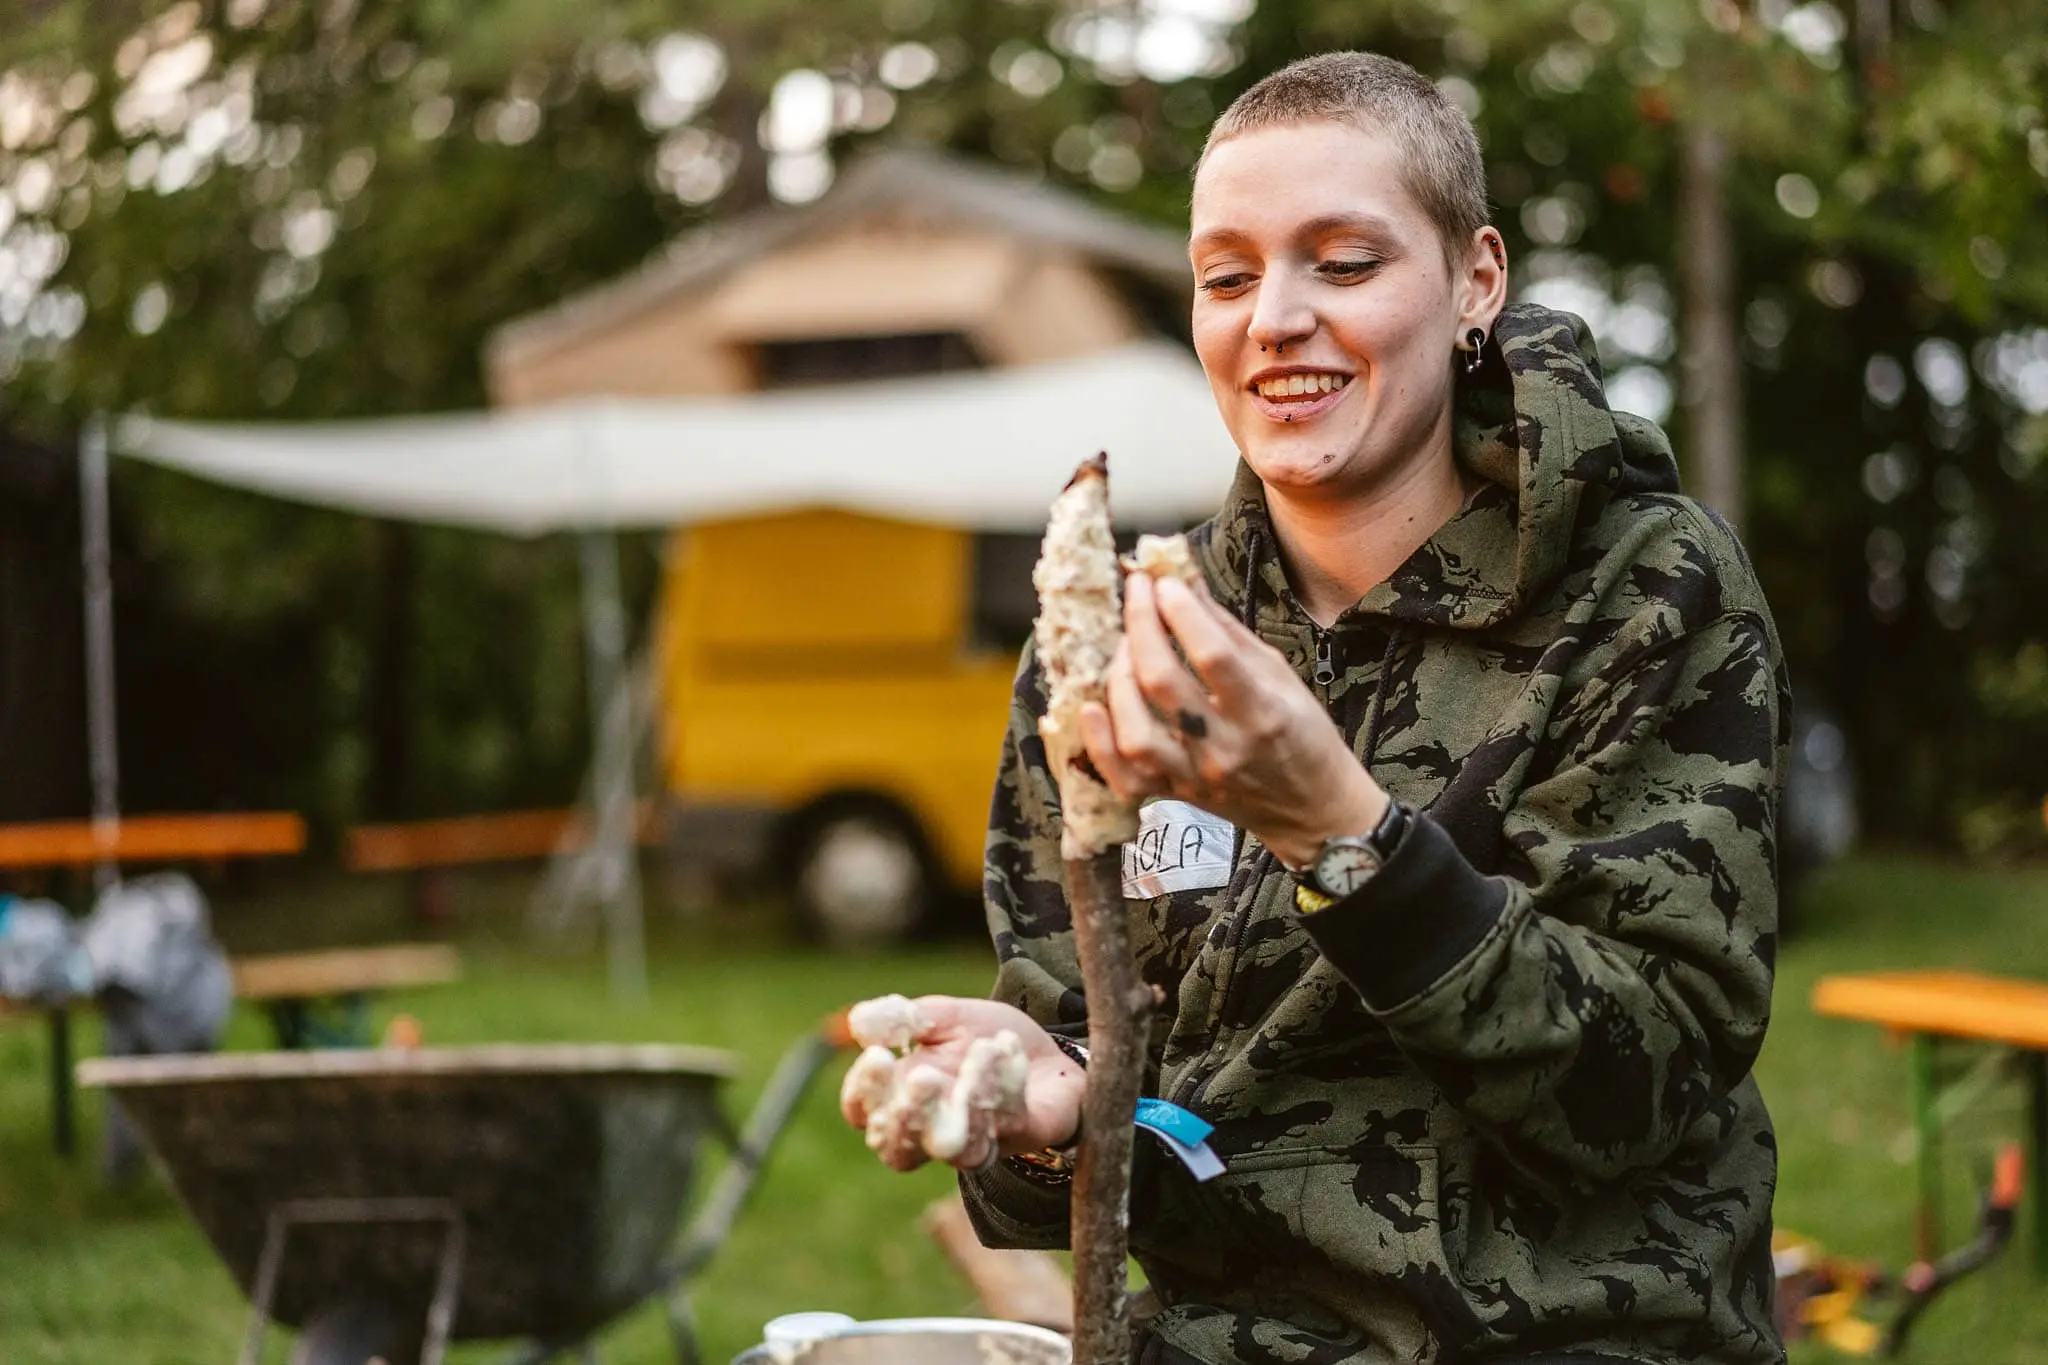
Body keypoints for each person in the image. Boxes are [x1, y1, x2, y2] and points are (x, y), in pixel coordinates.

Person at [840, 49, 1788, 1365]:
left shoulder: (1647, 586)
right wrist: (1036, 1100)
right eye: (1227, 276)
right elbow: (1083, 1086)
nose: (1273, 317)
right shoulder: (1116, 637)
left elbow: (1638, 1091)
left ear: (1476, 281)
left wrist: (1343, 834)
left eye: (1343, 263)